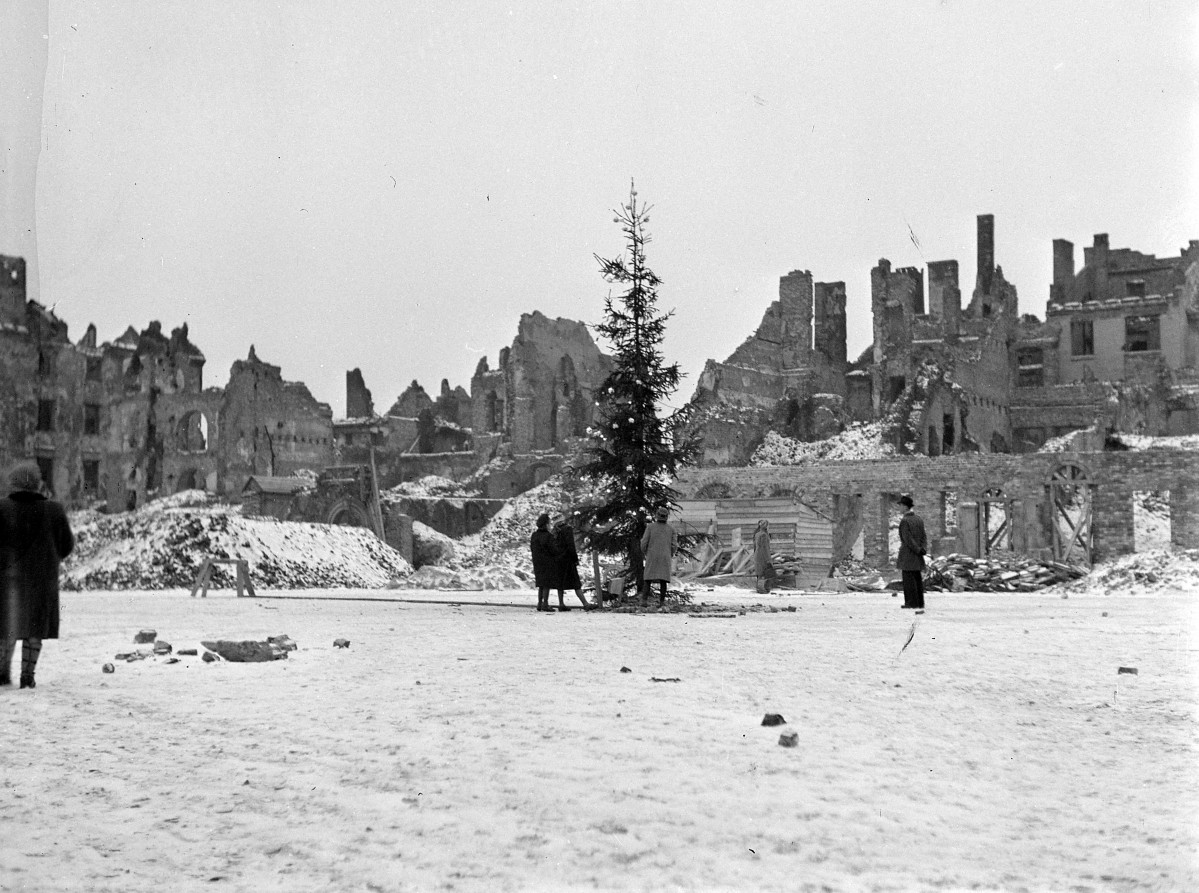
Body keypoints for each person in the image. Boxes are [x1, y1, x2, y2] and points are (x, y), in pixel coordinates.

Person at [0, 462, 75, 689]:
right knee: (35, 630)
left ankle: (2, 673)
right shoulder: (54, 510)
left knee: (6, 628)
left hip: (6, 582)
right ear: (37, 484)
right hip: (41, 582)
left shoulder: (1, 509)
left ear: (12, 482)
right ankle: (27, 676)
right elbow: (66, 545)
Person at [639, 506, 676, 609]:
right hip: (665, 556)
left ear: (657, 515)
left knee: (648, 579)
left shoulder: (650, 527)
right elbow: (674, 545)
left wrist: (646, 552)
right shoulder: (671, 529)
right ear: (667, 517)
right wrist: (670, 554)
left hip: (652, 555)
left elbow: (644, 542)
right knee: (663, 580)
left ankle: (644, 600)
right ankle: (662, 601)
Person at [896, 495, 927, 611]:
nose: (899, 508)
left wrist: (917, 549)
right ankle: (919, 602)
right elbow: (924, 536)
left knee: (908, 580)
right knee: (917, 579)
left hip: (908, 554)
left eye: (900, 506)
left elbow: (907, 539)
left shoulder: (905, 521)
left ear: (905, 507)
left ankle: (911, 602)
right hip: (918, 554)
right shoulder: (918, 519)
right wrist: (922, 549)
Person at [553, 519, 592, 611]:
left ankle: (561, 604)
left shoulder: (555, 531)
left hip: (558, 559)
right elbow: (571, 545)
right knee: (575, 583)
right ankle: (585, 604)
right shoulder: (568, 529)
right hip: (568, 559)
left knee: (560, 583)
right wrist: (575, 559)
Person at [529, 513, 559, 612]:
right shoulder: (548, 536)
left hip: (537, 562)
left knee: (541, 584)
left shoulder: (534, 535)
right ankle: (545, 603)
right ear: (546, 524)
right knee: (546, 584)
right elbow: (553, 549)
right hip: (547, 561)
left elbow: (532, 548)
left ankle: (539, 603)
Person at [753, 520, 773, 593]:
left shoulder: (757, 534)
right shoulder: (764, 535)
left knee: (759, 572)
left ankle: (759, 588)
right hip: (762, 554)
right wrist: (768, 558)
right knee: (765, 570)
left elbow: (755, 546)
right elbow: (765, 547)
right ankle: (762, 588)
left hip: (757, 554)